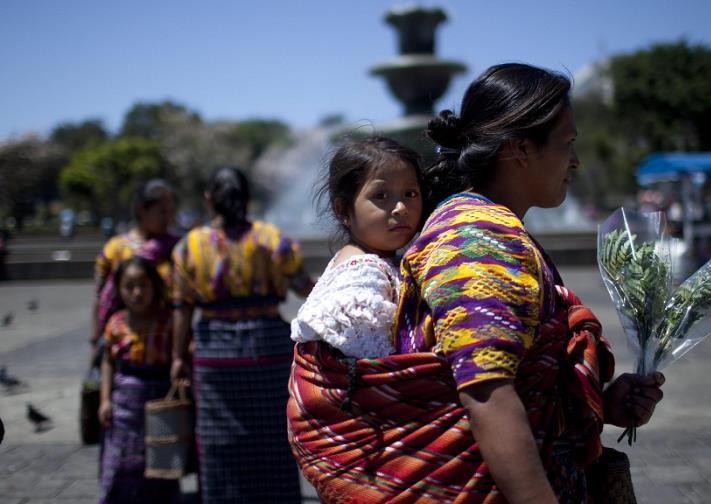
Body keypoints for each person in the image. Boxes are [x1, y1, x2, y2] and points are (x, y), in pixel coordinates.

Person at [287, 63, 664, 503]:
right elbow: (488, 392)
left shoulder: (487, 227)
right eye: (567, 144)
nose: (575, 160)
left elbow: (512, 380)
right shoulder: (476, 237)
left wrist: (598, 402)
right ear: (521, 148)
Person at [170, 166, 312, 503]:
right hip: (268, 346)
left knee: (219, 437)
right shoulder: (272, 239)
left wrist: (176, 357)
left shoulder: (190, 246)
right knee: (272, 434)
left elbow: (182, 308)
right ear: (247, 198)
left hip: (214, 352)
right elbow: (304, 287)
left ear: (209, 199)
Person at [290, 136, 423, 358]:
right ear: (342, 210)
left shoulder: (370, 260)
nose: (401, 207)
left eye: (410, 194)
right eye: (380, 195)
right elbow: (376, 363)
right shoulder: (363, 273)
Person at [98, 256, 179, 503]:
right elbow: (107, 362)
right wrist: (105, 400)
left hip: (161, 404)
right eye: (129, 286)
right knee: (122, 461)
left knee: (160, 463)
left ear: (154, 286)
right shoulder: (116, 323)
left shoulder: (168, 321)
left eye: (143, 285)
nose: (137, 292)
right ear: (118, 290)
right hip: (124, 407)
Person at [91, 179, 179, 361]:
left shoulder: (177, 249)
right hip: (123, 344)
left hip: (165, 344)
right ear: (142, 210)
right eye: (162, 211)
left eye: (171, 211)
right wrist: (95, 340)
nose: (168, 217)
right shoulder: (115, 249)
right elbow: (100, 298)